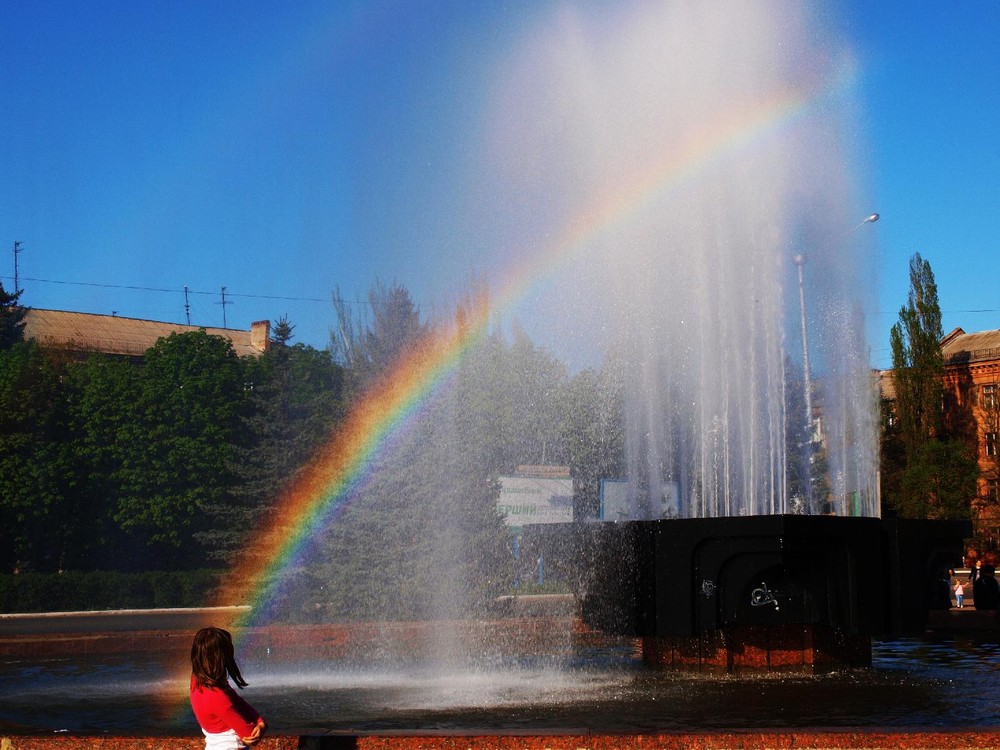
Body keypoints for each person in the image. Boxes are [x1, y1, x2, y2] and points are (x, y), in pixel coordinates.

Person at [190, 626, 268, 749]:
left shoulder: (197, 681)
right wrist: (262, 726)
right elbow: (250, 736)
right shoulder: (217, 696)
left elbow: (238, 702)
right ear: (221, 657)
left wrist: (259, 720)